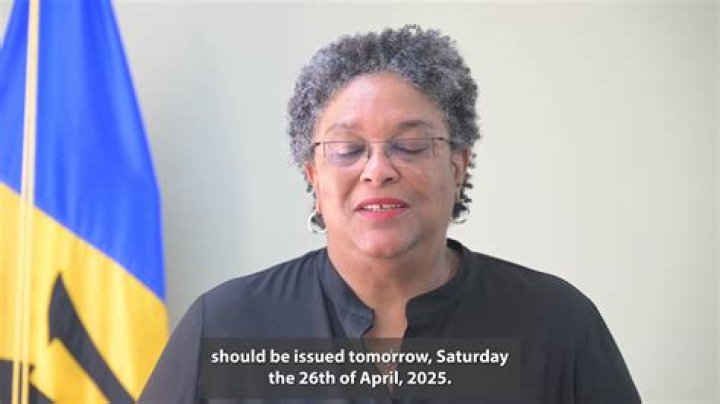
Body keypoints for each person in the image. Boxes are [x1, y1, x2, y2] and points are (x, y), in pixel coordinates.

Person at [140, 25, 641, 403]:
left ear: (457, 166)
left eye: (410, 145)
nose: (378, 170)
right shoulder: (226, 326)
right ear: (314, 176)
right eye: (347, 149)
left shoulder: (556, 324)